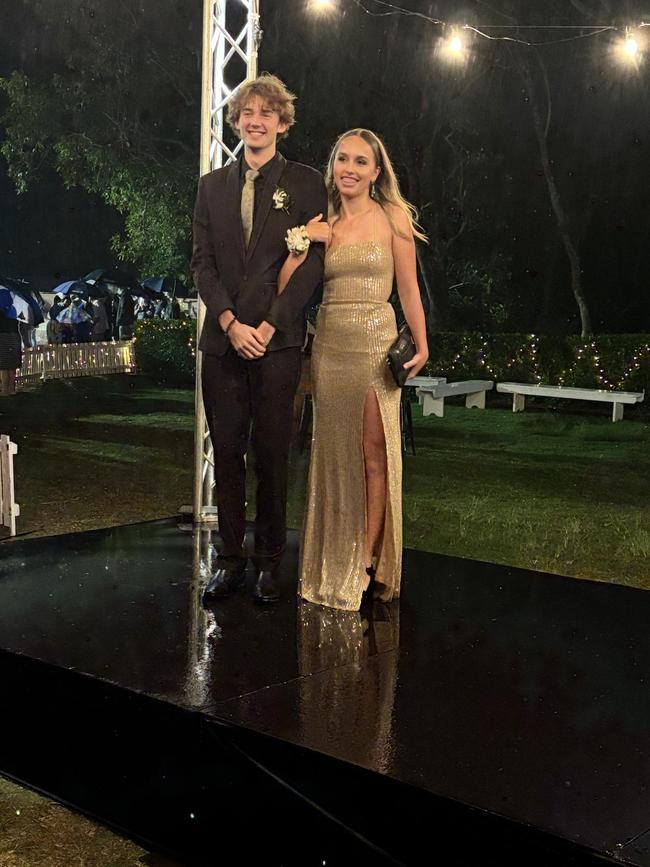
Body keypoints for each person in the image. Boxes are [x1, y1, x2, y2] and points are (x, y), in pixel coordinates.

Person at [191, 73, 327, 604]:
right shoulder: (211, 187)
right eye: (247, 112)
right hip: (223, 344)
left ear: (282, 123)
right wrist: (228, 322)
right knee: (227, 452)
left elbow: (312, 263)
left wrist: (268, 326)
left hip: (279, 343)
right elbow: (202, 265)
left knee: (271, 452)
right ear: (236, 121)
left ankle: (270, 562)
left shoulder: (306, 182)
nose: (256, 121)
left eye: (266, 113)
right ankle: (229, 561)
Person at [292, 129, 429, 611]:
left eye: (361, 161)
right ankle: (330, 558)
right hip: (329, 346)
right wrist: (304, 242)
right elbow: (288, 287)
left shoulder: (393, 219)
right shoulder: (323, 222)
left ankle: (368, 558)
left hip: (375, 344)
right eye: (342, 159)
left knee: (373, 452)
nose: (349, 168)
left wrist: (423, 341)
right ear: (333, 167)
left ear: (376, 171)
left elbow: (409, 289)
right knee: (331, 456)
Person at [0, 289, 21, 397]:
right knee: (11, 367)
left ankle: (4, 390)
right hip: (14, 338)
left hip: (3, 338)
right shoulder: (13, 309)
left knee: (3, 367)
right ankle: (12, 389)